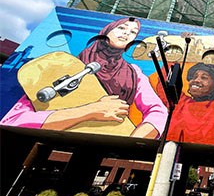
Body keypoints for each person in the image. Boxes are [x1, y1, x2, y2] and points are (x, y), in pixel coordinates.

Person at [0, 17, 168, 139]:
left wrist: (133, 139)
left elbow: (158, 111)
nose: (126, 34)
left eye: (133, 32)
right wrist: (87, 112)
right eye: (122, 28)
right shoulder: (64, 63)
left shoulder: (134, 73)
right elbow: (14, 117)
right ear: (106, 30)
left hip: (108, 137)